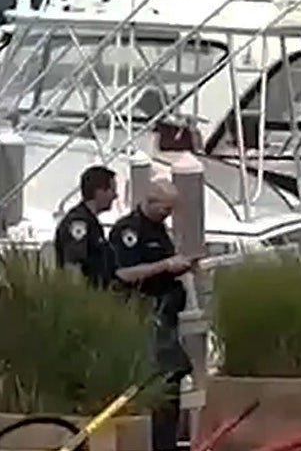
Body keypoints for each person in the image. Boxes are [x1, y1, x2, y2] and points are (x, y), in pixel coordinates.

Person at [110, 177, 196, 451]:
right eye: (165, 209)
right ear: (150, 201)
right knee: (161, 377)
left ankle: (166, 442)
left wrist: (181, 266)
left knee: (172, 380)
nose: (168, 215)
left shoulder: (160, 231)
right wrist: (164, 265)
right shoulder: (127, 231)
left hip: (166, 313)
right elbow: (123, 273)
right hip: (145, 314)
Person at [54, 165, 118, 287]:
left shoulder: (92, 223)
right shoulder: (78, 222)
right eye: (112, 190)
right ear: (99, 192)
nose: (115, 196)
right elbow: (73, 265)